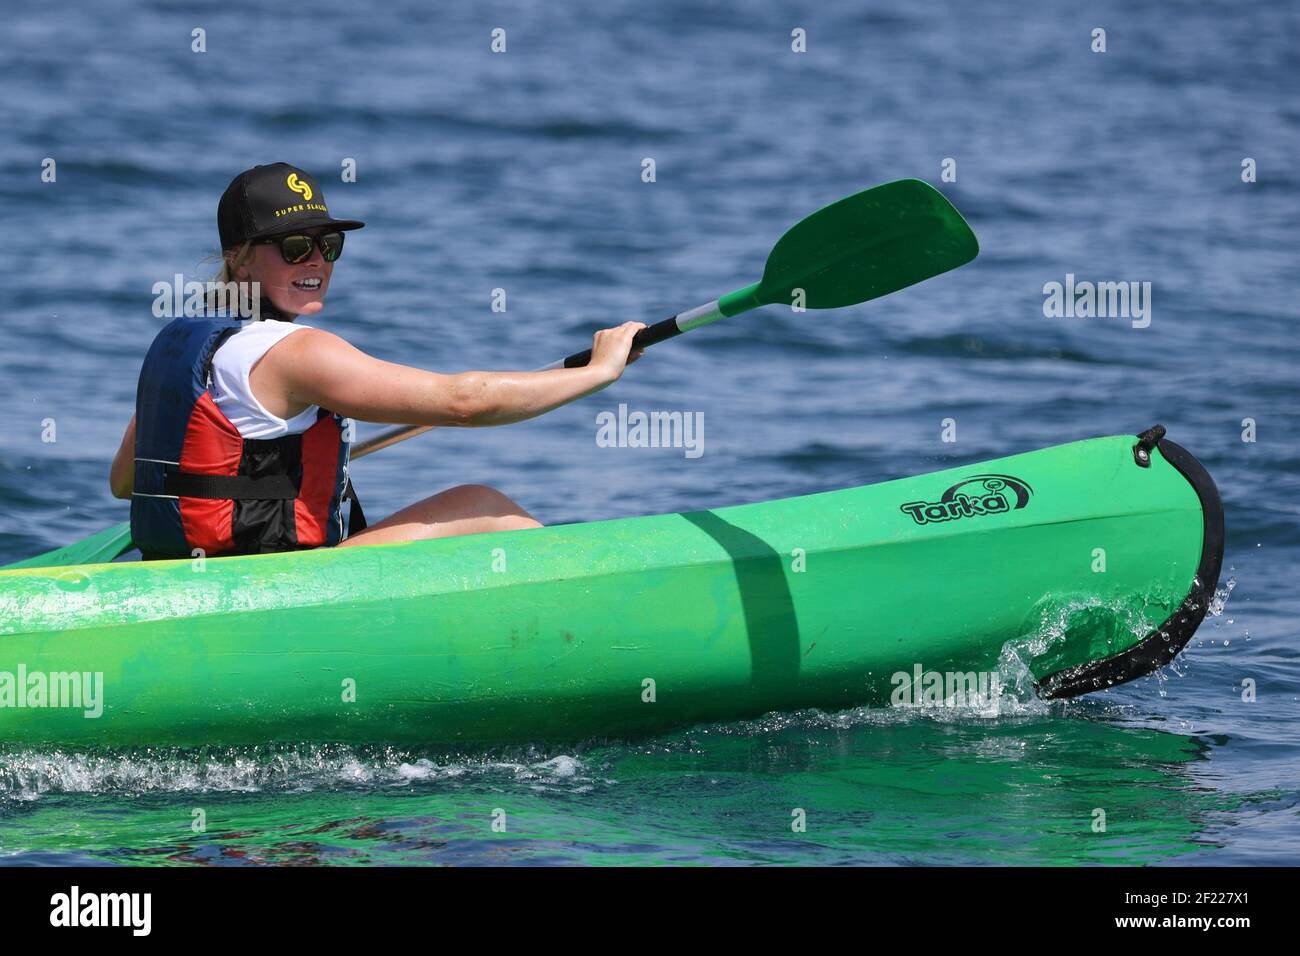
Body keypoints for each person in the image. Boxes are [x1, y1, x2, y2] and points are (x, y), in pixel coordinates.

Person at [110, 162, 642, 559]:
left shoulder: (182, 343)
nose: (316, 259)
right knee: (486, 507)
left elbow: (123, 481)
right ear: (240, 259)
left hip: (189, 570)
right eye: (295, 247)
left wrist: (266, 471)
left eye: (329, 244)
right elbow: (464, 403)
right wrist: (598, 373)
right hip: (270, 588)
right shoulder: (297, 351)